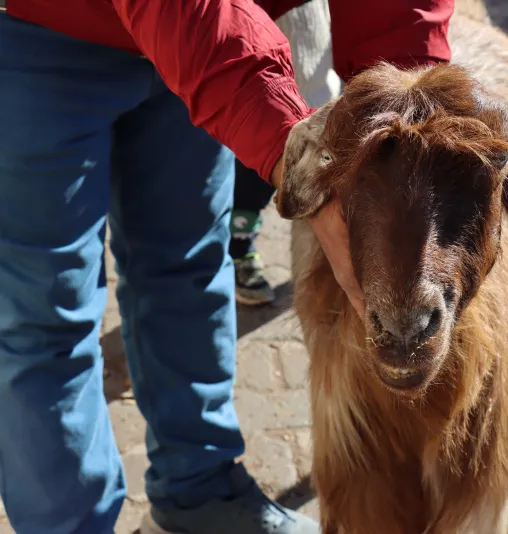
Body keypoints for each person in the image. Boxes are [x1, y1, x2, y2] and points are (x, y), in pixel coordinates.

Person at [0, 1, 454, 534]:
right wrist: (296, 158)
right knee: (44, 321)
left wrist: (409, 126)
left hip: (202, 38)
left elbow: (400, 16)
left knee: (189, 268)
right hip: (36, 32)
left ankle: (197, 492)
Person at [230, 0, 341, 306]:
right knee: (252, 125)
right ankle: (239, 242)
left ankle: (325, 251)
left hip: (309, 22)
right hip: (239, 20)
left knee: (313, 121)